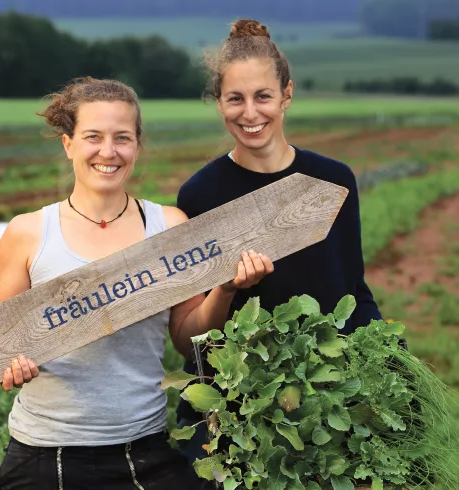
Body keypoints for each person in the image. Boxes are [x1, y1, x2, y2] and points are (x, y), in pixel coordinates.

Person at [0, 76, 273, 490]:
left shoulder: (169, 226)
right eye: (93, 137)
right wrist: (10, 366)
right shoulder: (29, 233)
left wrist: (226, 289)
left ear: (137, 146)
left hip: (146, 450)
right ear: (68, 144)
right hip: (46, 456)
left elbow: (185, 339)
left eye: (122, 138)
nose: (109, 151)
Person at [175, 19, 380, 489]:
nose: (250, 113)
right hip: (242, 414)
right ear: (219, 102)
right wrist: (228, 288)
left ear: (286, 95)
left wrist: (390, 361)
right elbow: (193, 345)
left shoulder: (333, 182)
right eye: (235, 98)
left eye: (263, 96)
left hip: (326, 406)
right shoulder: (200, 195)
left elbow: (352, 290)